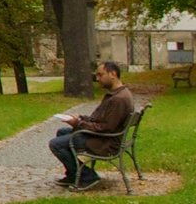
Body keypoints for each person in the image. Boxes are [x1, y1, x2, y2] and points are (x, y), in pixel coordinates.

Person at [50, 60, 136, 190]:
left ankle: (87, 176)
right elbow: (101, 120)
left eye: (100, 75)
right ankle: (74, 174)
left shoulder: (118, 99)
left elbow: (106, 128)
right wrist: (81, 119)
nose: (98, 79)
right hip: (104, 137)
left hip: (105, 142)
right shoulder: (118, 94)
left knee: (56, 144)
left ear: (112, 74)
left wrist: (78, 124)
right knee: (62, 132)